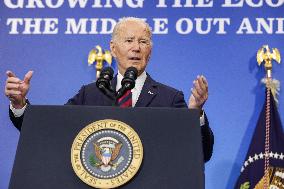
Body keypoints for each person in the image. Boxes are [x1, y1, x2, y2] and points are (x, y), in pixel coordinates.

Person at [5, 17, 214, 162]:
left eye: (143, 41)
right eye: (129, 40)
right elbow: (51, 131)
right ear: (113, 48)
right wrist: (19, 104)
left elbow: (201, 154)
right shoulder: (90, 94)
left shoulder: (169, 98)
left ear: (150, 50)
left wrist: (194, 115)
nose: (136, 47)